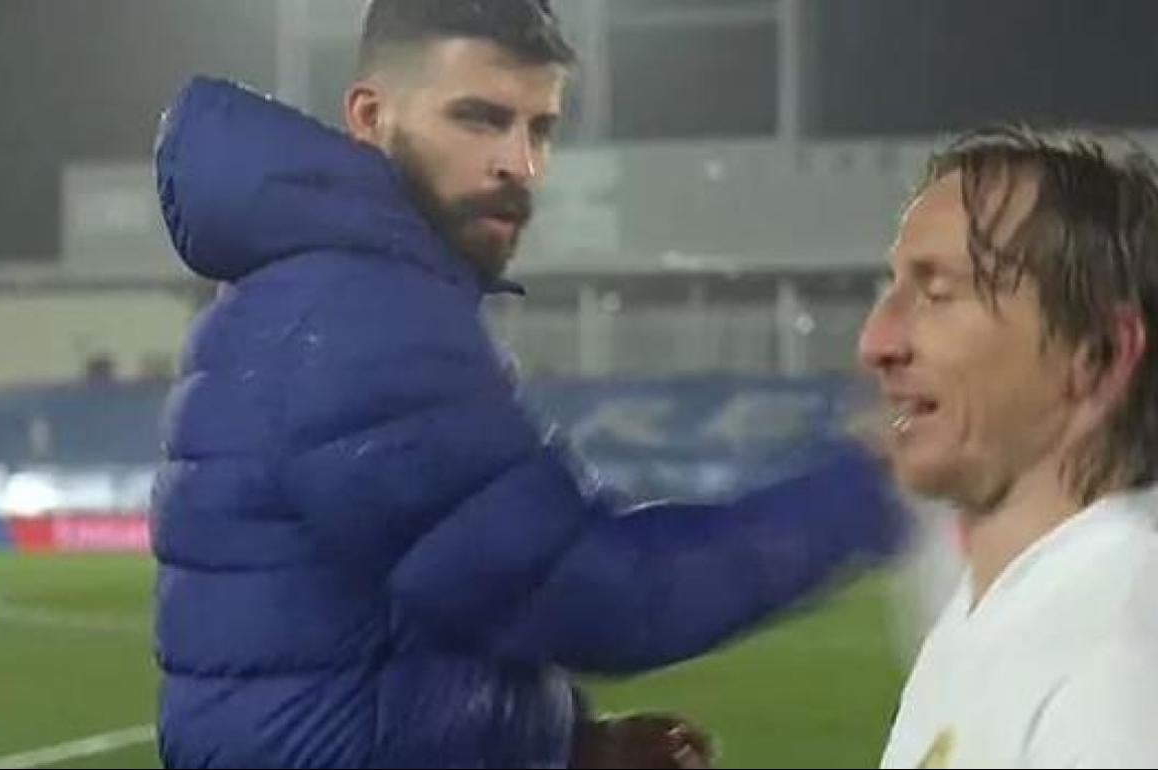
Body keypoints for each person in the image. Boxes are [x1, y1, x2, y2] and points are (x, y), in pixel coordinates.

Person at [151, 1, 905, 767]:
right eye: (479, 119)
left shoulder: (332, 290)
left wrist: (567, 747)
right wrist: (870, 489)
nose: (521, 164)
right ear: (370, 118)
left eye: (539, 128)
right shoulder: (357, 315)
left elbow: (429, 615)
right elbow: (597, 595)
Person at [861, 126, 1158, 768]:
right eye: (894, 289)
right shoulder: (1009, 605)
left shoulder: (1123, 659)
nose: (877, 342)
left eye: (938, 294)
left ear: (1098, 355)